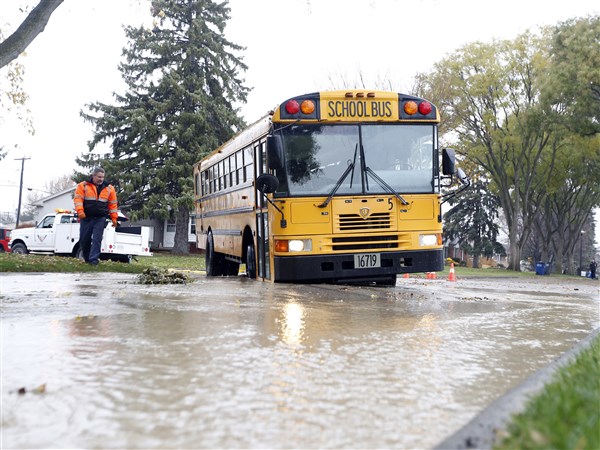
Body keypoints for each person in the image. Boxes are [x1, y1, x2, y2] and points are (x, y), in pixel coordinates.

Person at [73, 167, 118, 265]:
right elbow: (78, 200)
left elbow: (113, 205)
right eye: (99, 177)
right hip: (86, 218)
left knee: (97, 239)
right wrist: (80, 212)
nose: (101, 179)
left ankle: (94, 260)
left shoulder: (109, 188)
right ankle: (87, 258)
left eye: (102, 177)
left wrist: (114, 218)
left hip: (100, 218)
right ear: (93, 176)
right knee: (84, 239)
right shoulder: (83, 186)